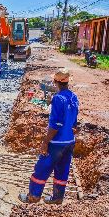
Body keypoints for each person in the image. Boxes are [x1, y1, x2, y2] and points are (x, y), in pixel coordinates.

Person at [19, 68, 79, 204]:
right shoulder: (73, 97)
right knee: (62, 169)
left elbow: (56, 124)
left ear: (55, 82)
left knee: (42, 168)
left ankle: (33, 196)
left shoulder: (58, 98)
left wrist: (46, 142)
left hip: (56, 142)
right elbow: (74, 122)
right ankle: (57, 198)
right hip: (69, 141)